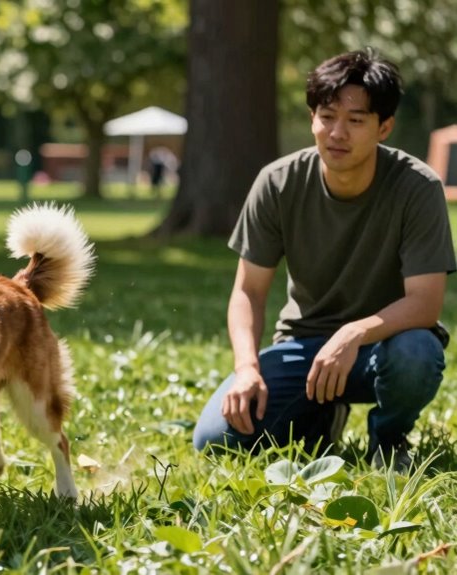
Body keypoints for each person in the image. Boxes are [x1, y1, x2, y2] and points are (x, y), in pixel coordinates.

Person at [193, 48, 456, 472]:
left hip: (382, 346)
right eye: (327, 116)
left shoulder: (417, 187)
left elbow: (425, 304)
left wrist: (352, 333)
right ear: (313, 117)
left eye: (355, 121)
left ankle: (388, 442)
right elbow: (248, 290)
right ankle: (321, 414)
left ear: (383, 127)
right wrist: (246, 369)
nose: (337, 132)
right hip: (303, 346)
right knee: (215, 440)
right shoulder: (277, 183)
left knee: (417, 352)